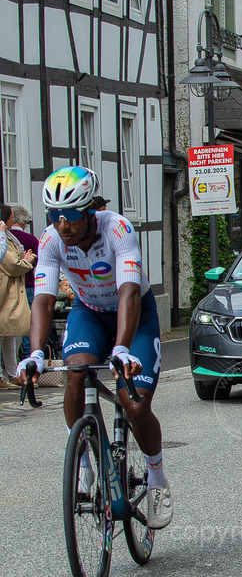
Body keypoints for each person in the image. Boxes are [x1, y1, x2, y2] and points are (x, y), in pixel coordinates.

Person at [18, 166, 174, 529]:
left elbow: (129, 292)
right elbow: (42, 298)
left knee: (134, 403)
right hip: (88, 311)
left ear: (90, 211)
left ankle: (156, 479)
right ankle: (85, 459)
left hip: (133, 313)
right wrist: (37, 353)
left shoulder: (117, 230)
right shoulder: (50, 241)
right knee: (76, 373)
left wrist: (121, 349)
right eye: (55, 216)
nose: (63, 225)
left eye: (70, 216)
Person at [0, 214, 34, 388]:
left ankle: (12, 374)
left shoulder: (9, 236)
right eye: (11, 218)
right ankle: (2, 376)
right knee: (3, 333)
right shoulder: (2, 236)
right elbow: (10, 264)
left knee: (9, 335)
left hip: (10, 291)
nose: (12, 221)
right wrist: (26, 262)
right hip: (4, 291)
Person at [3, 205, 37, 360]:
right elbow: (13, 265)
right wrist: (27, 261)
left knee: (11, 331)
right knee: (22, 326)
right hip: (19, 287)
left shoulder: (11, 237)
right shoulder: (29, 239)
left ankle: (12, 370)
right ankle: (28, 355)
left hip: (17, 286)